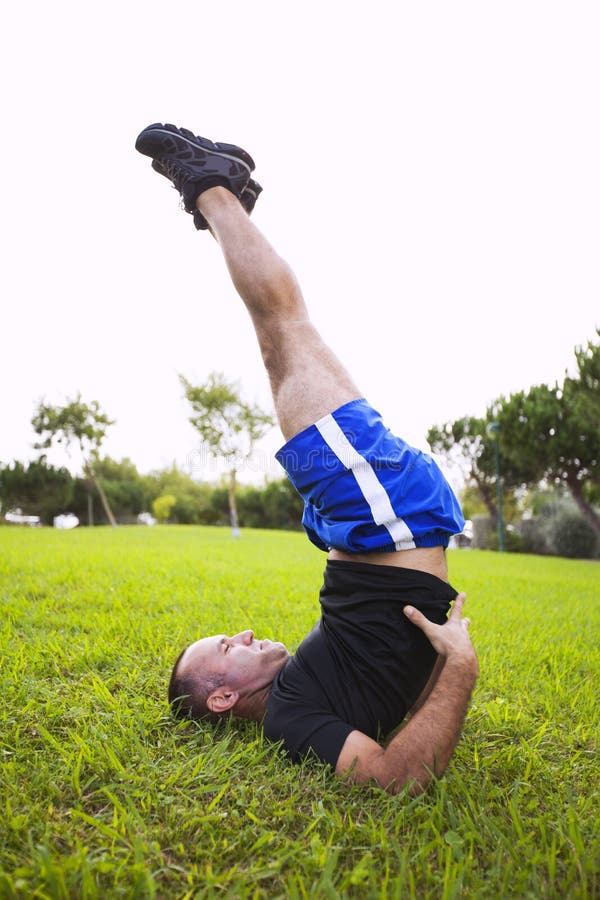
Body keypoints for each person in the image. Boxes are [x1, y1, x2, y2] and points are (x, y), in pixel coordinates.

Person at [135, 123, 479, 795]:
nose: (240, 633)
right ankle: (209, 185)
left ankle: (219, 193)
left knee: (286, 332)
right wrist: (458, 671)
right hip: (387, 519)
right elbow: (393, 780)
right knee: (282, 328)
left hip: (366, 525)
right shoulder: (290, 719)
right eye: (224, 650)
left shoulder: (299, 694)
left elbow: (390, 691)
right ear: (223, 699)